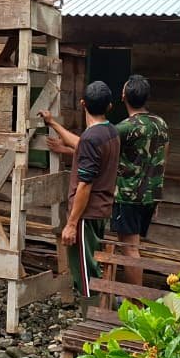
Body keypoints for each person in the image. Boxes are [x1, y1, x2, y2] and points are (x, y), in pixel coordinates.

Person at [46, 75, 169, 287]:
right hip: (151, 194)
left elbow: (92, 147)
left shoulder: (124, 128)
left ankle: (135, 300)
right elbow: (163, 158)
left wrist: (61, 142)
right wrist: (157, 192)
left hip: (128, 196)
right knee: (133, 246)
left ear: (123, 97)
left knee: (130, 249)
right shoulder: (161, 124)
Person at [39, 81, 120, 302]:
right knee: (94, 266)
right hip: (100, 211)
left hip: (86, 214)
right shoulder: (110, 132)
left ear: (82, 103)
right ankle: (106, 312)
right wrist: (53, 124)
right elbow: (82, 144)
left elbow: (85, 184)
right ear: (109, 106)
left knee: (86, 276)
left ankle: (94, 318)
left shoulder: (91, 139)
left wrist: (72, 224)